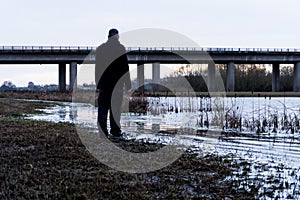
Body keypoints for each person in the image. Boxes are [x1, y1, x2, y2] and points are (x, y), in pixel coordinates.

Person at [95, 28, 132, 139]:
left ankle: (102, 133)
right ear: (117, 36)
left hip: (104, 85)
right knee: (115, 110)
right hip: (117, 85)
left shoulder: (100, 49)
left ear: (108, 36)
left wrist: (98, 84)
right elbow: (125, 68)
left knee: (102, 110)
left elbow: (97, 69)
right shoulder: (120, 48)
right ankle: (115, 132)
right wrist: (128, 85)